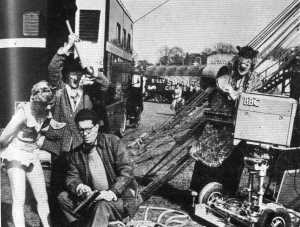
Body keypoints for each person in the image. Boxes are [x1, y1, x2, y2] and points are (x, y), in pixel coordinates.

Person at [190, 46, 261, 194]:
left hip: (236, 128)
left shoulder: (254, 80)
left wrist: (237, 95)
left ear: (251, 65)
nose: (243, 67)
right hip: (217, 124)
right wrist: (225, 89)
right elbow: (212, 86)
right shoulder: (227, 74)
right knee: (206, 155)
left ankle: (227, 195)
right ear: (237, 61)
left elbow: (255, 100)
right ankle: (198, 192)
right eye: (241, 63)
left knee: (233, 162)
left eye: (247, 65)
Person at [57, 109, 140, 227]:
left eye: (88, 129)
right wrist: (80, 187)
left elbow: (127, 171)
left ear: (96, 127)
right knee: (63, 198)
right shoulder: (76, 154)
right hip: (94, 198)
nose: (84, 134)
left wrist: (112, 192)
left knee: (102, 204)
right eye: (81, 130)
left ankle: (99, 221)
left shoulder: (112, 142)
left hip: (120, 198)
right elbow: (72, 178)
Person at [0, 81, 53, 227]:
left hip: (32, 154)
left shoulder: (47, 110)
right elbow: (3, 138)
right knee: (19, 199)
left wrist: (37, 142)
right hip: (15, 155)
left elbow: (42, 132)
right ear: (32, 98)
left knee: (42, 197)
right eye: (41, 104)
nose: (44, 107)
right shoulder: (23, 113)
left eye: (46, 104)